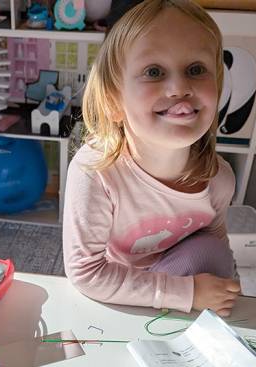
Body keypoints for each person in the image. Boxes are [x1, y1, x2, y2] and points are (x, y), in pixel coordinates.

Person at [63, 0, 241, 316]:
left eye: (196, 69)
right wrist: (186, 293)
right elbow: (87, 273)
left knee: (211, 252)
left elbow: (216, 246)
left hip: (181, 280)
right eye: (154, 71)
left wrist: (223, 293)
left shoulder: (219, 177)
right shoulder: (96, 172)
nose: (179, 87)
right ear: (114, 101)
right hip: (122, 287)